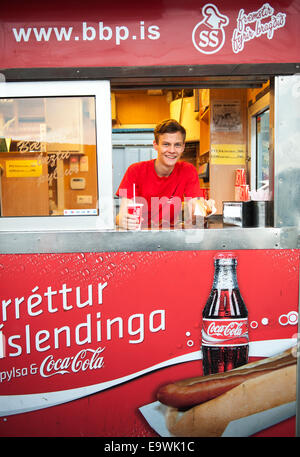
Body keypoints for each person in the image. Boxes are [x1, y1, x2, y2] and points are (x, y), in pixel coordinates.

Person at [116, 118, 213, 229]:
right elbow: (122, 215)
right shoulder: (135, 171)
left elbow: (195, 210)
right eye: (166, 144)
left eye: (177, 145)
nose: (172, 150)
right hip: (140, 238)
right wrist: (121, 221)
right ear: (155, 145)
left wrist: (203, 210)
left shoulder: (188, 171)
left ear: (183, 147)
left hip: (169, 240)